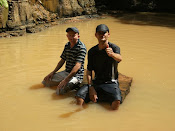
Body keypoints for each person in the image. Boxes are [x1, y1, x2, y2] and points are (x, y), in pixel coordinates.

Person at [76, 24, 122, 110]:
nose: (102, 35)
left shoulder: (114, 48)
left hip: (111, 82)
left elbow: (119, 59)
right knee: (79, 97)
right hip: (97, 81)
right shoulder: (92, 51)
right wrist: (91, 87)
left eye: (104, 32)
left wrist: (112, 54)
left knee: (117, 101)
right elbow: (89, 71)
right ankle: (80, 117)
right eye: (99, 33)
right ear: (96, 35)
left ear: (108, 34)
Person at [42, 27, 87, 95]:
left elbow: (77, 65)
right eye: (69, 35)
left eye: (73, 35)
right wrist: (53, 72)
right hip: (67, 72)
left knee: (60, 90)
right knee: (45, 82)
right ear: (67, 36)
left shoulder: (81, 48)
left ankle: (76, 86)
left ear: (78, 36)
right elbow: (62, 60)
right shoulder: (67, 45)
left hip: (76, 75)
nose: (71, 37)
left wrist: (66, 80)